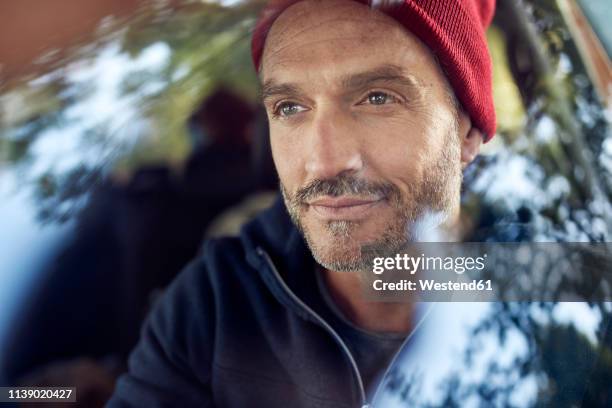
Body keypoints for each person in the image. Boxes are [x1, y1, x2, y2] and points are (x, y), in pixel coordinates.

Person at [106, 0, 496, 406]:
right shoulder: (215, 302)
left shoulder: (541, 283)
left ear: (466, 132)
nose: (324, 163)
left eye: (378, 98)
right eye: (289, 108)